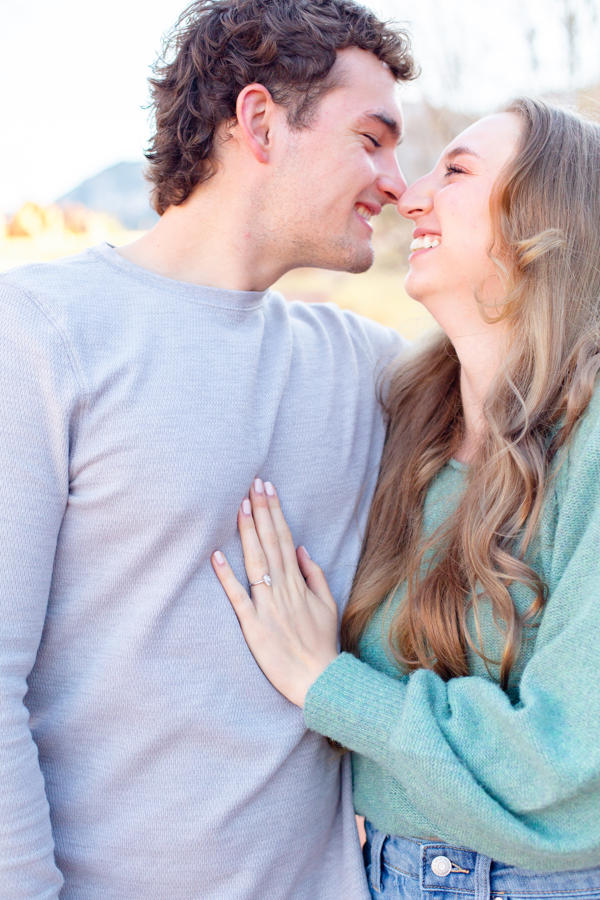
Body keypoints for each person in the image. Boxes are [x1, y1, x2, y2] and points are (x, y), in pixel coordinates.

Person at [0, 2, 417, 898]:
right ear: (262, 123)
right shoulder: (39, 332)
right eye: (372, 140)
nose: (397, 182)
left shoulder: (363, 367)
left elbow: (540, 380)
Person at [213, 97, 600, 898]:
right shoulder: (406, 417)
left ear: (546, 217)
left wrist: (333, 689)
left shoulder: (590, 439)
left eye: (455, 171)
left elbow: (564, 755)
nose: (409, 194)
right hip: (380, 871)